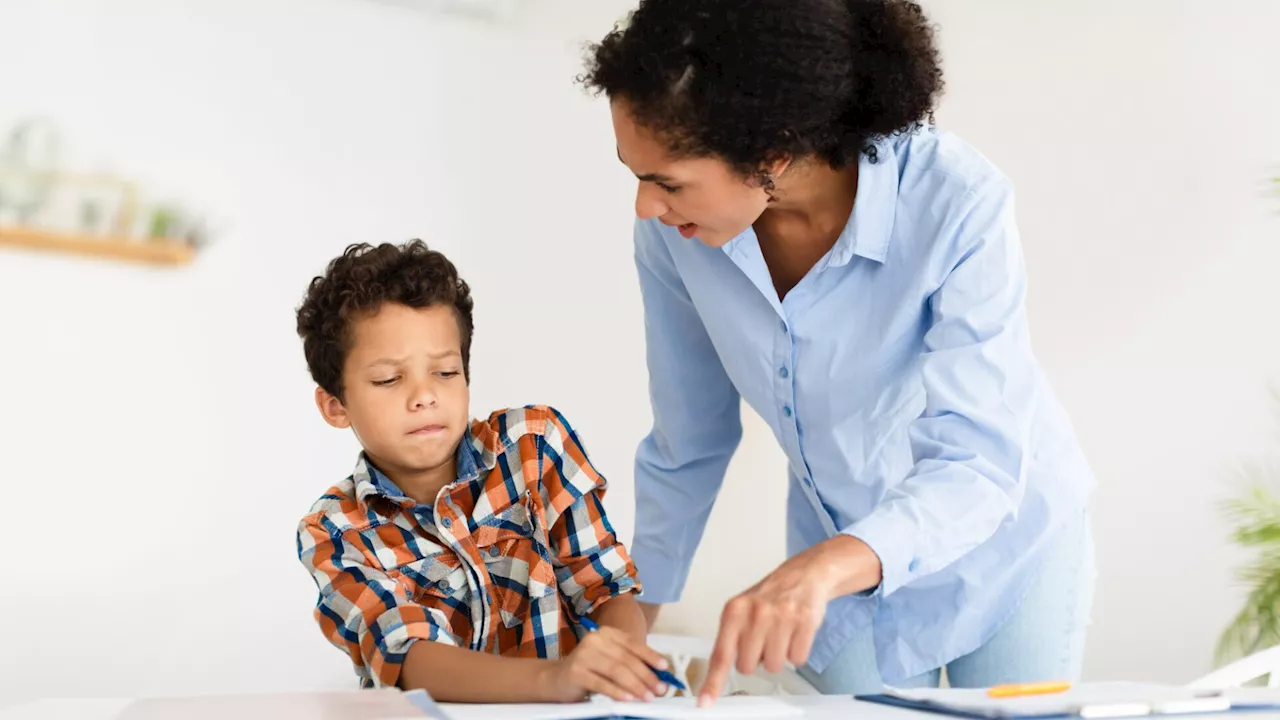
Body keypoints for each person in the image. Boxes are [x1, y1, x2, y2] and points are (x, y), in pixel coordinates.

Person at [579, 0, 1097, 705]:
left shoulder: (957, 203)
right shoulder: (675, 237)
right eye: (635, 174)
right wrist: (631, 626)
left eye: (667, 180)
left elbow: (978, 464)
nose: (645, 205)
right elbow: (688, 441)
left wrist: (819, 571)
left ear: (773, 151)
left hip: (1001, 548)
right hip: (834, 557)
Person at [293, 240, 672, 703]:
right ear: (335, 406)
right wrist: (556, 680)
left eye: (446, 373)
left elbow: (604, 586)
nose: (424, 396)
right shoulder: (334, 530)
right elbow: (408, 656)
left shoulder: (534, 446)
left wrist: (620, 666)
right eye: (390, 379)